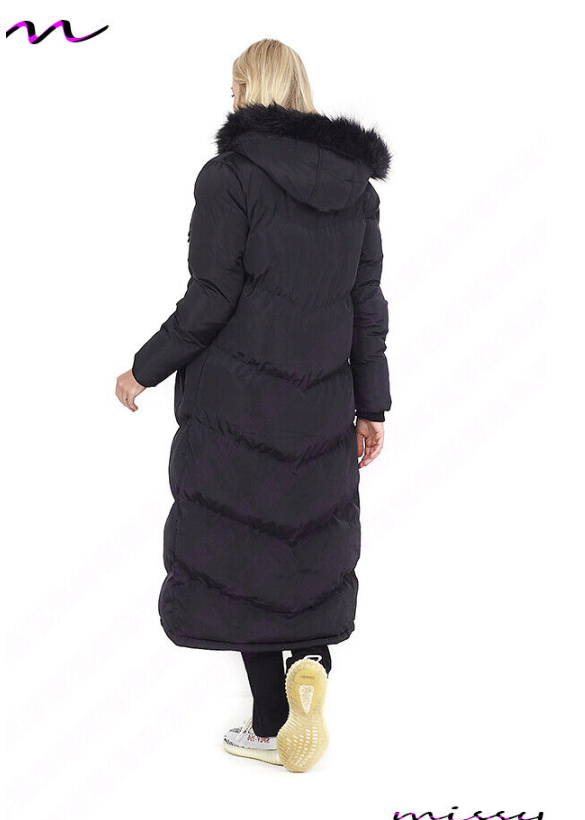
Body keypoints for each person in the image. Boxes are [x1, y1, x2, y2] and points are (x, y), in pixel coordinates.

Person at [115, 39, 391, 772]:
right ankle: (311, 663)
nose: (231, 99)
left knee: (244, 552)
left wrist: (143, 369)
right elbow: (366, 308)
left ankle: (271, 719)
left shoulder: (230, 177)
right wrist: (372, 408)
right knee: (308, 542)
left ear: (249, 89)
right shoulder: (357, 190)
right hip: (323, 403)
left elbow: (210, 298)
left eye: (235, 87)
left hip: (237, 405)